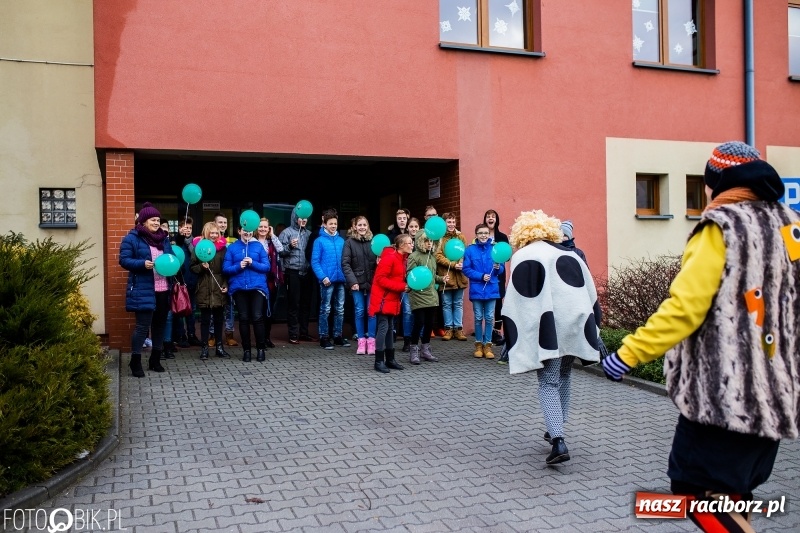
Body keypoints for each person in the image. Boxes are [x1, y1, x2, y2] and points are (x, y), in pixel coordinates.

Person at [602, 141, 800, 531]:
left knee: (696, 493)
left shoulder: (720, 227)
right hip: (777, 393)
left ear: (717, 183)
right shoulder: (789, 224)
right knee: (731, 496)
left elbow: (685, 307)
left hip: (726, 396)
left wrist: (628, 353)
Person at [502, 209, 601, 465]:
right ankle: (555, 428)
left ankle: (558, 440)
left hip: (548, 329)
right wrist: (594, 330)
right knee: (565, 375)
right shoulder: (570, 254)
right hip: (573, 325)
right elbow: (591, 295)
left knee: (548, 382)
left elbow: (517, 300)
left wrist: (513, 337)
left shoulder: (525, 255)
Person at [119, 202, 175, 377]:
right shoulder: (132, 238)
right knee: (142, 327)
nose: (156, 222)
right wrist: (142, 264)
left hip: (163, 289)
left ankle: (155, 360)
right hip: (144, 289)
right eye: (153, 219)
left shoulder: (164, 239)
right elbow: (124, 260)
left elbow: (171, 258)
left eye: (158, 219)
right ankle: (135, 362)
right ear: (143, 221)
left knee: (159, 326)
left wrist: (173, 264)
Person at [222, 225, 270, 362]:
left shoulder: (258, 247)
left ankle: (261, 349)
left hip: (257, 287)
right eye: (244, 230)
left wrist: (253, 263)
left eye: (249, 230)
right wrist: (239, 266)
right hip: (239, 287)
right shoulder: (232, 248)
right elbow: (225, 269)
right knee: (243, 318)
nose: (247, 232)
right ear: (239, 231)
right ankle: (246, 351)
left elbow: (266, 267)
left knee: (257, 317)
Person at [369, 234, 413, 373]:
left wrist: (407, 285)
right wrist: (401, 287)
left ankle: (390, 359)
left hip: (391, 298)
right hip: (383, 298)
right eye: (409, 243)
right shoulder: (390, 257)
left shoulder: (402, 259)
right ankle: (379, 361)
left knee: (390, 327)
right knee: (383, 327)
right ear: (401, 245)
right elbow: (380, 279)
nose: (412, 245)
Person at [406, 230, 448, 364]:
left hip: (431, 295)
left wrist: (441, 279)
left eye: (431, 241)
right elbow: (410, 276)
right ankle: (414, 350)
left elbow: (432, 277)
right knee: (419, 322)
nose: (429, 243)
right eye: (426, 241)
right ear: (420, 242)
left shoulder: (433, 257)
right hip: (418, 295)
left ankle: (425, 349)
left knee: (429, 323)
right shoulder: (414, 256)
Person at [463, 223, 504, 359]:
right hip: (477, 288)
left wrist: (498, 267)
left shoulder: (495, 249)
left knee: (489, 318)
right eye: (480, 233)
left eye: (486, 233)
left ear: (489, 235)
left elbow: (501, 269)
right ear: (476, 235)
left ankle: (488, 345)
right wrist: (480, 276)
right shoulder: (470, 250)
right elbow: (466, 269)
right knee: (478, 317)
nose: (483, 235)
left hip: (492, 288)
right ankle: (478, 344)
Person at [191, 222, 230, 359]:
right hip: (204, 288)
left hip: (219, 287)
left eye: (216, 233)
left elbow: (227, 269)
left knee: (219, 319)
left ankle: (219, 347)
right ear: (206, 232)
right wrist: (201, 267)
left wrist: (225, 284)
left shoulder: (223, 249)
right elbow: (192, 268)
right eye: (211, 232)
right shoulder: (199, 248)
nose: (214, 235)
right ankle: (204, 348)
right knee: (205, 321)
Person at [311, 211, 349, 349]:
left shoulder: (341, 240)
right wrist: (323, 277)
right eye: (330, 223)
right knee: (325, 309)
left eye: (335, 223)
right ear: (325, 225)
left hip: (340, 280)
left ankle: (338, 336)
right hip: (327, 281)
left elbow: (346, 260)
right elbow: (315, 262)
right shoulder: (319, 241)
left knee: (340, 309)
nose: (333, 226)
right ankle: (324, 337)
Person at [341, 215, 378, 355]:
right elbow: (345, 263)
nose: (362, 227)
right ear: (355, 227)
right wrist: (353, 282)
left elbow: (378, 263)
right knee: (359, 310)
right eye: (360, 225)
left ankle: (372, 341)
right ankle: (361, 340)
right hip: (356, 282)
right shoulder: (349, 242)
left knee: (372, 311)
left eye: (364, 225)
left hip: (372, 282)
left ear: (367, 226)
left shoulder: (373, 242)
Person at [279, 206, 314, 344]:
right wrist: (289, 247)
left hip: (307, 272)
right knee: (294, 304)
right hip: (292, 272)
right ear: (295, 217)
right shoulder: (286, 233)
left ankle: (304, 332)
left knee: (306, 304)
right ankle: (293, 334)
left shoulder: (309, 234)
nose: (303, 220)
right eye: (301, 217)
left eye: (305, 217)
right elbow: (280, 252)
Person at [435, 213, 469, 341]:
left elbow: (465, 253)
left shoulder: (461, 237)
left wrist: (461, 263)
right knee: (447, 303)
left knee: (458, 303)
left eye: (453, 222)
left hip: (460, 276)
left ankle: (458, 329)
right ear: (444, 223)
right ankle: (448, 329)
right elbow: (438, 256)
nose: (451, 224)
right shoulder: (440, 238)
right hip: (446, 276)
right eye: (449, 222)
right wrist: (453, 264)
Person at [255, 217, 283, 348]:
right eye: (260, 226)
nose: (263, 229)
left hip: (271, 280)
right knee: (259, 311)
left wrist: (272, 235)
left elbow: (281, 249)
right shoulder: (253, 241)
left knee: (269, 310)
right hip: (257, 280)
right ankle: (259, 339)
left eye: (265, 227)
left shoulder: (272, 241)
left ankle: (267, 337)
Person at [484, 209, 510, 350]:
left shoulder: (502, 237)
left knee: (499, 301)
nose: (490, 218)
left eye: (493, 216)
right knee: (486, 300)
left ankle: (496, 331)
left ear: (496, 219)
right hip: (485, 273)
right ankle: (486, 331)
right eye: (488, 216)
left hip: (499, 273)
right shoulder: (482, 236)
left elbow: (508, 256)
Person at [213, 212, 239, 347]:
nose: (222, 225)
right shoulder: (209, 241)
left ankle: (229, 335)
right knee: (214, 308)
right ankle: (212, 336)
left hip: (230, 279)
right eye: (220, 222)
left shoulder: (233, 241)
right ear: (214, 224)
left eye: (224, 222)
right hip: (214, 279)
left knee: (229, 308)